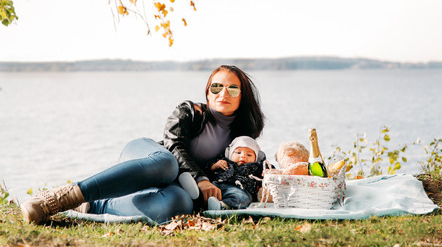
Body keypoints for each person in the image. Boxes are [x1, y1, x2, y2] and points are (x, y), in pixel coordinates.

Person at [20, 65, 265, 224]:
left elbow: (244, 172)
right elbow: (173, 145)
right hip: (150, 157)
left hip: (178, 185)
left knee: (180, 205)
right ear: (208, 92)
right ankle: (59, 198)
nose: (224, 93)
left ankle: (94, 205)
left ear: (243, 96)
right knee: (167, 163)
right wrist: (200, 178)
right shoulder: (190, 111)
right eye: (217, 86)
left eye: (233, 88)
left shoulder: (243, 137)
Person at [205, 136, 266, 210]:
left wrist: (268, 172)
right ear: (230, 153)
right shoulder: (224, 161)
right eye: (238, 152)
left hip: (239, 189)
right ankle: (193, 196)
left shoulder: (257, 166)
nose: (243, 156)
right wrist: (215, 166)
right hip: (217, 184)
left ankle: (223, 206)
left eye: (249, 155)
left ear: (256, 158)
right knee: (206, 189)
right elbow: (206, 168)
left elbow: (270, 169)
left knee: (242, 198)